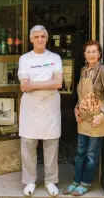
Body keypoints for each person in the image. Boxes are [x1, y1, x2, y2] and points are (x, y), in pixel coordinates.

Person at [63, 40, 104, 196]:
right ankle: (76, 181)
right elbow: (81, 94)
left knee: (91, 155)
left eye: (94, 51)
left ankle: (85, 183)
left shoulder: (103, 71)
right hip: (83, 117)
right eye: (88, 51)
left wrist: (101, 115)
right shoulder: (84, 70)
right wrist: (76, 108)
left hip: (97, 118)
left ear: (99, 55)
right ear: (84, 55)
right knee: (80, 153)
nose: (91, 54)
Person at [18, 25, 63, 197]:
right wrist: (47, 83)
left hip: (50, 107)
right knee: (28, 144)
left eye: (43, 36)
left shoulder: (55, 58)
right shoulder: (25, 59)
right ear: (31, 39)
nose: (40, 39)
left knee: (51, 144)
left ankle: (50, 180)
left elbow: (58, 83)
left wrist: (33, 85)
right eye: (36, 37)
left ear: (47, 38)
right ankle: (30, 180)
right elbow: (24, 86)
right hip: (30, 108)